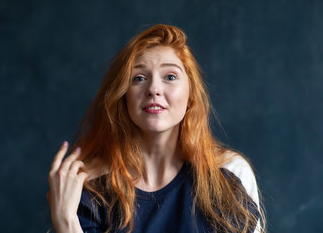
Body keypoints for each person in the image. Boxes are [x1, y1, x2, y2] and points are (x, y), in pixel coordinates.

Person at [47, 24, 265, 233]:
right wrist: (66, 224)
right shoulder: (90, 186)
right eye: (139, 78)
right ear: (123, 96)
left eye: (170, 77)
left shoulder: (229, 174)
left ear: (190, 96)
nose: (153, 89)